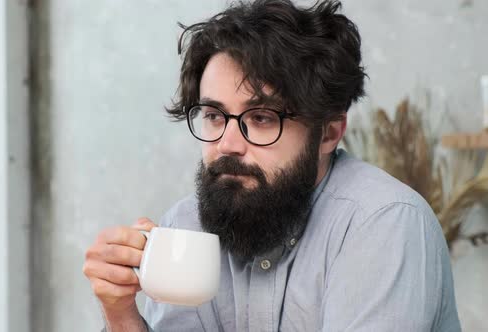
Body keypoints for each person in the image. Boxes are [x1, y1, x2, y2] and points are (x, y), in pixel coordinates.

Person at [82, 0, 461, 331]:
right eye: (214, 115)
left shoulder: (383, 223)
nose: (227, 145)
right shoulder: (184, 228)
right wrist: (121, 316)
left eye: (261, 118)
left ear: (328, 133)